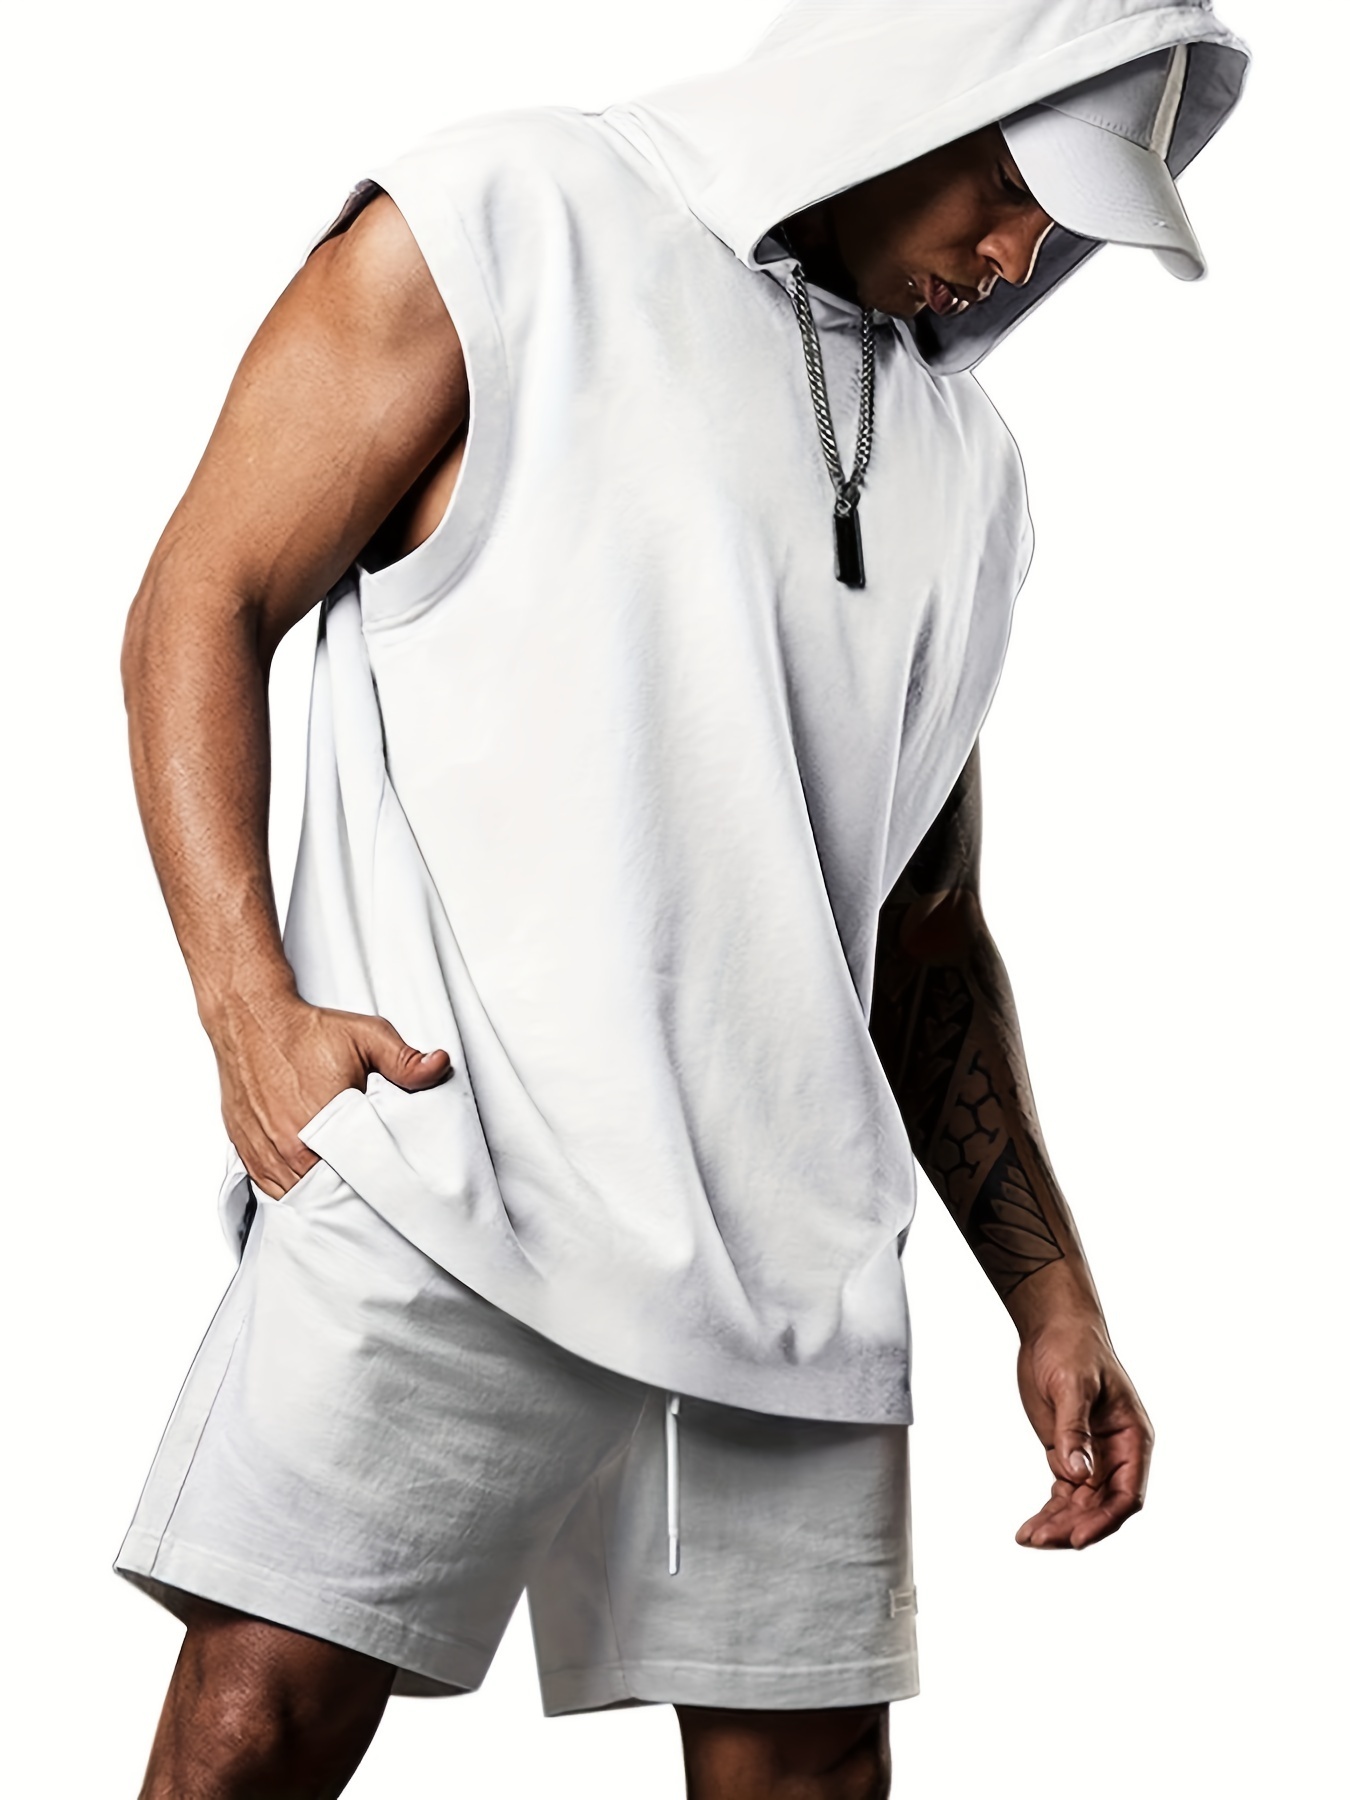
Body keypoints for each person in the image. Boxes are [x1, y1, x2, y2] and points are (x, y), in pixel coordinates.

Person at [114, 2, 1250, 1795]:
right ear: (920, 86)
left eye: (1065, 227)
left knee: (806, 1781)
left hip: (791, 1259)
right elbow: (206, 592)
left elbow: (920, 923)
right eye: (1015, 193)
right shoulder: (510, 219)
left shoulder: (973, 477)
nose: (1022, 256)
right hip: (455, 1173)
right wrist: (247, 1010)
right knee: (257, 1724)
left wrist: (1051, 1297)